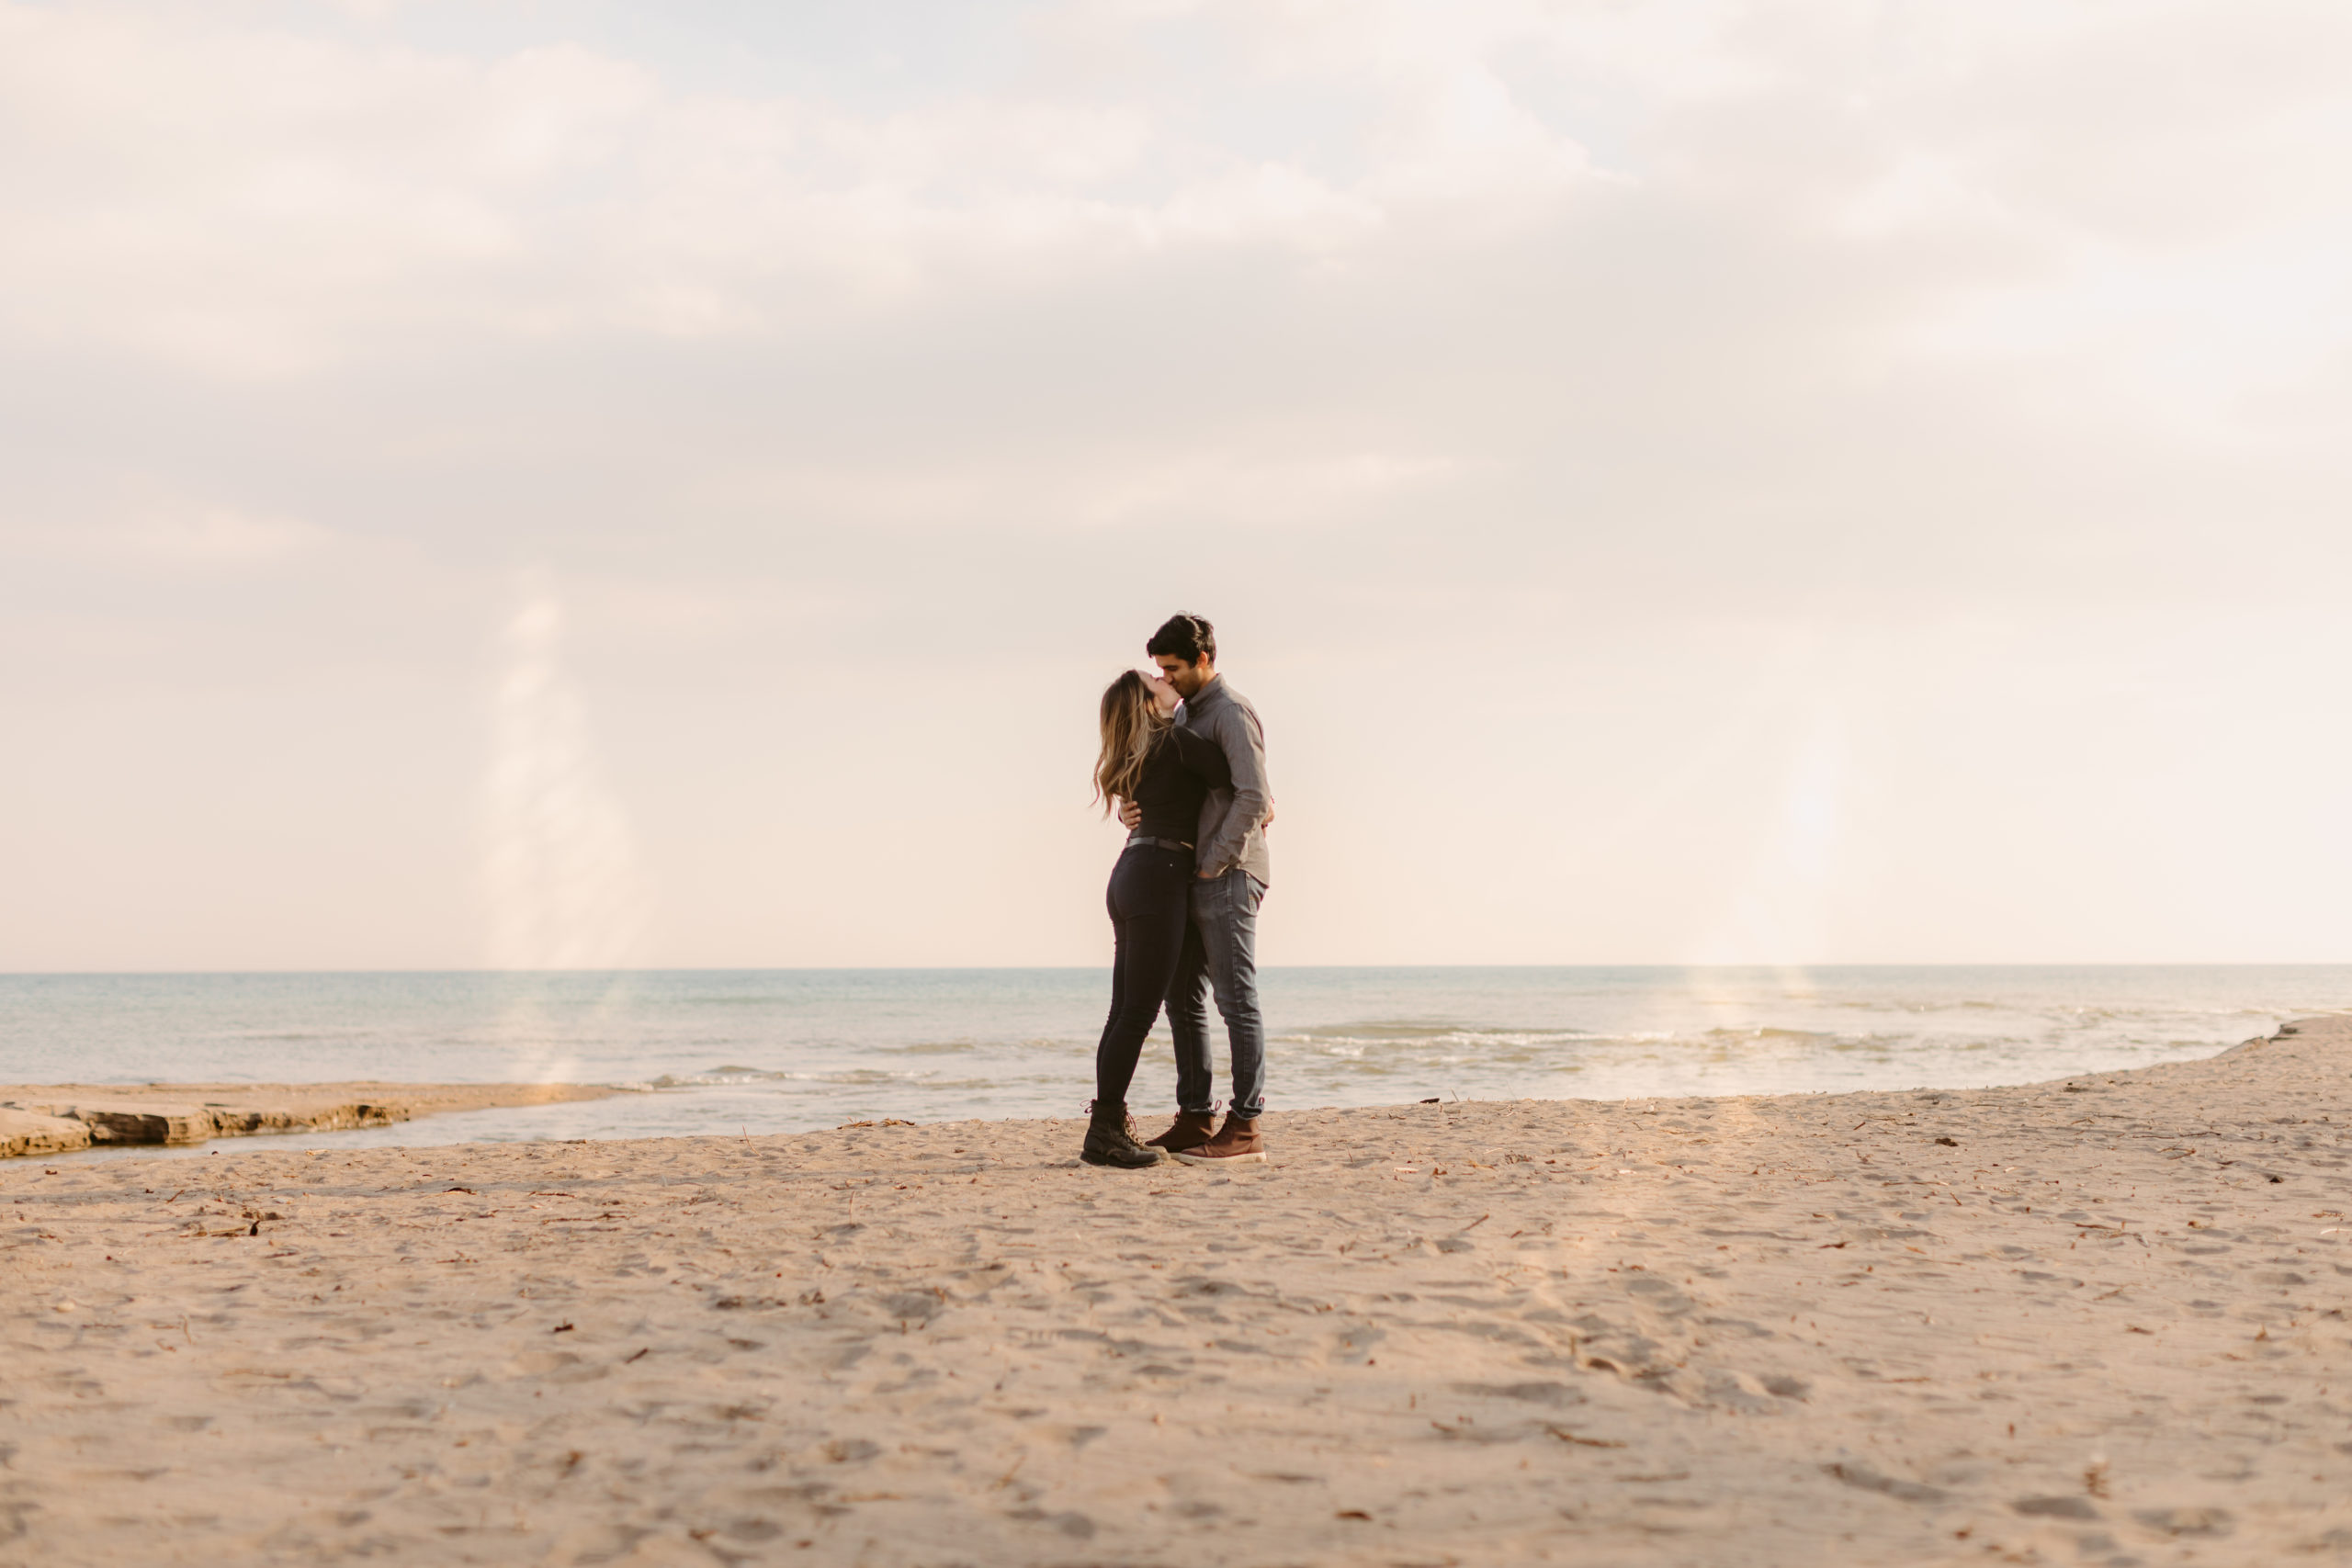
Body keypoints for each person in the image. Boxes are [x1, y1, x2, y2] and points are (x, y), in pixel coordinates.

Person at [1121, 614, 1273, 1166]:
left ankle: (1247, 1126)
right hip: (1191, 876)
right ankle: (1194, 1117)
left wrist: (1212, 863)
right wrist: (1129, 808)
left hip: (1228, 873)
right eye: (1162, 669)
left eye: (1174, 668)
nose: (1167, 677)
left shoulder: (1231, 713)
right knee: (1181, 1000)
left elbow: (1256, 798)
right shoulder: (1186, 713)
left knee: (1236, 1001)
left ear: (1204, 659)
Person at [1082, 667, 1234, 1168]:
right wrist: (1268, 803)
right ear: (1149, 706)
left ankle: (1107, 1124)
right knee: (1136, 1014)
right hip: (1158, 876)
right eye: (1155, 681)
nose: (1163, 678)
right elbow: (1237, 779)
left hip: (1131, 872)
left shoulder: (1138, 756)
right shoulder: (1178, 743)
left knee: (1123, 1011)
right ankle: (1104, 1129)